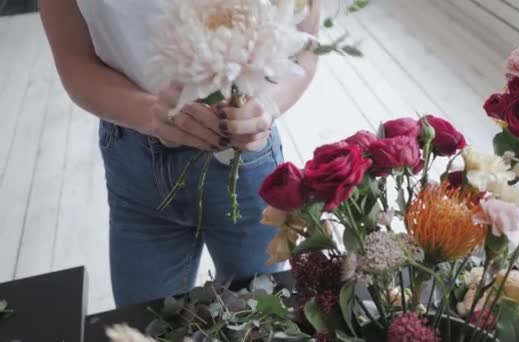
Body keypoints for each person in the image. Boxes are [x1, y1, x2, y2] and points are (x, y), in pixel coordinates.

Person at [39, 0, 320, 307]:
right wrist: (149, 113)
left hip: (244, 157)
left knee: (255, 321)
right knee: (145, 324)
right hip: (135, 165)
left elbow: (307, 43)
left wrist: (269, 104)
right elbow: (74, 60)